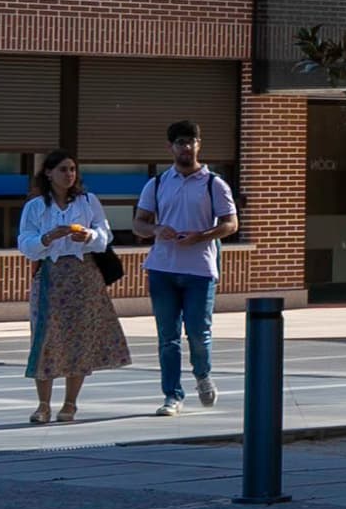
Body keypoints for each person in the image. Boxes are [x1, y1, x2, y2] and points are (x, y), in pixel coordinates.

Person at [134, 118, 240, 418]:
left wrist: (201, 236)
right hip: (162, 269)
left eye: (191, 141)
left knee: (197, 331)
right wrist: (157, 229)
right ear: (170, 147)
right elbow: (138, 223)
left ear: (199, 144)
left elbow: (231, 224)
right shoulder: (156, 184)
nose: (186, 147)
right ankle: (172, 395)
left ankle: (203, 374)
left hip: (200, 270)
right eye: (180, 142)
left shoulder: (213, 183)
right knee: (167, 337)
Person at [18, 151, 130, 425]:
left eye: (72, 170)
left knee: (79, 338)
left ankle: (70, 404)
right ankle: (43, 405)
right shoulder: (35, 207)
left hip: (84, 275)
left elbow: (104, 235)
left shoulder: (88, 202)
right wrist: (47, 237)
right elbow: (25, 242)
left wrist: (88, 235)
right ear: (48, 173)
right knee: (45, 339)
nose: (69, 175)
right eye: (63, 170)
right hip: (51, 277)